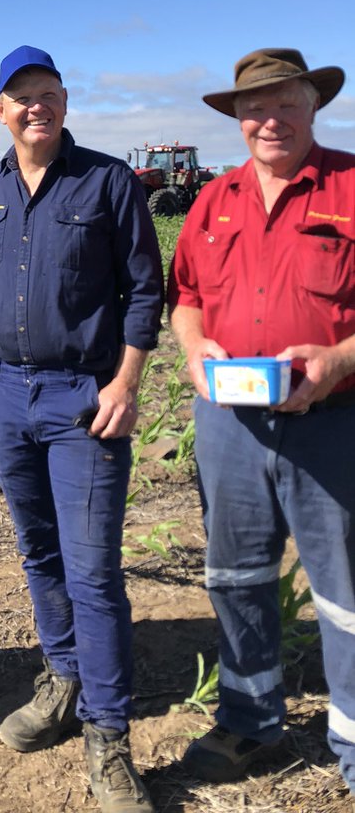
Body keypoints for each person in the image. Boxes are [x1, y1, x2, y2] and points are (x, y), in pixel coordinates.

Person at [0, 46, 163, 813]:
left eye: (47, 95)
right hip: (7, 395)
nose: (35, 107)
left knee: (92, 571)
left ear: (65, 102)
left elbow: (146, 291)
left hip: (85, 397)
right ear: (0, 110)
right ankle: (62, 677)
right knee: (38, 551)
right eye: (21, 97)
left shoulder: (110, 180)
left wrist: (126, 381)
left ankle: (108, 737)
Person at [168, 47, 355, 800]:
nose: (269, 119)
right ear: (237, 118)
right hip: (229, 427)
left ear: (314, 107)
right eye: (255, 107)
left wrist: (340, 361)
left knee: (345, 588)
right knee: (237, 577)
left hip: (335, 424)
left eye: (285, 103)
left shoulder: (350, 185)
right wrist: (191, 351)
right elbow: (184, 297)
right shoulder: (215, 200)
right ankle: (250, 718)